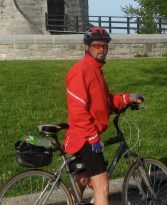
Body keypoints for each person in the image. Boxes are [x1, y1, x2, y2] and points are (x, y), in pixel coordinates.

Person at [64, 27, 144, 205]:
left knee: (83, 179)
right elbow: (78, 111)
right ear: (87, 47)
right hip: (84, 135)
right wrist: (93, 138)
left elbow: (104, 100)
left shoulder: (95, 70)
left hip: (85, 133)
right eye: (97, 45)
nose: (101, 49)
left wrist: (126, 98)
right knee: (102, 186)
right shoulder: (81, 71)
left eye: (105, 46)